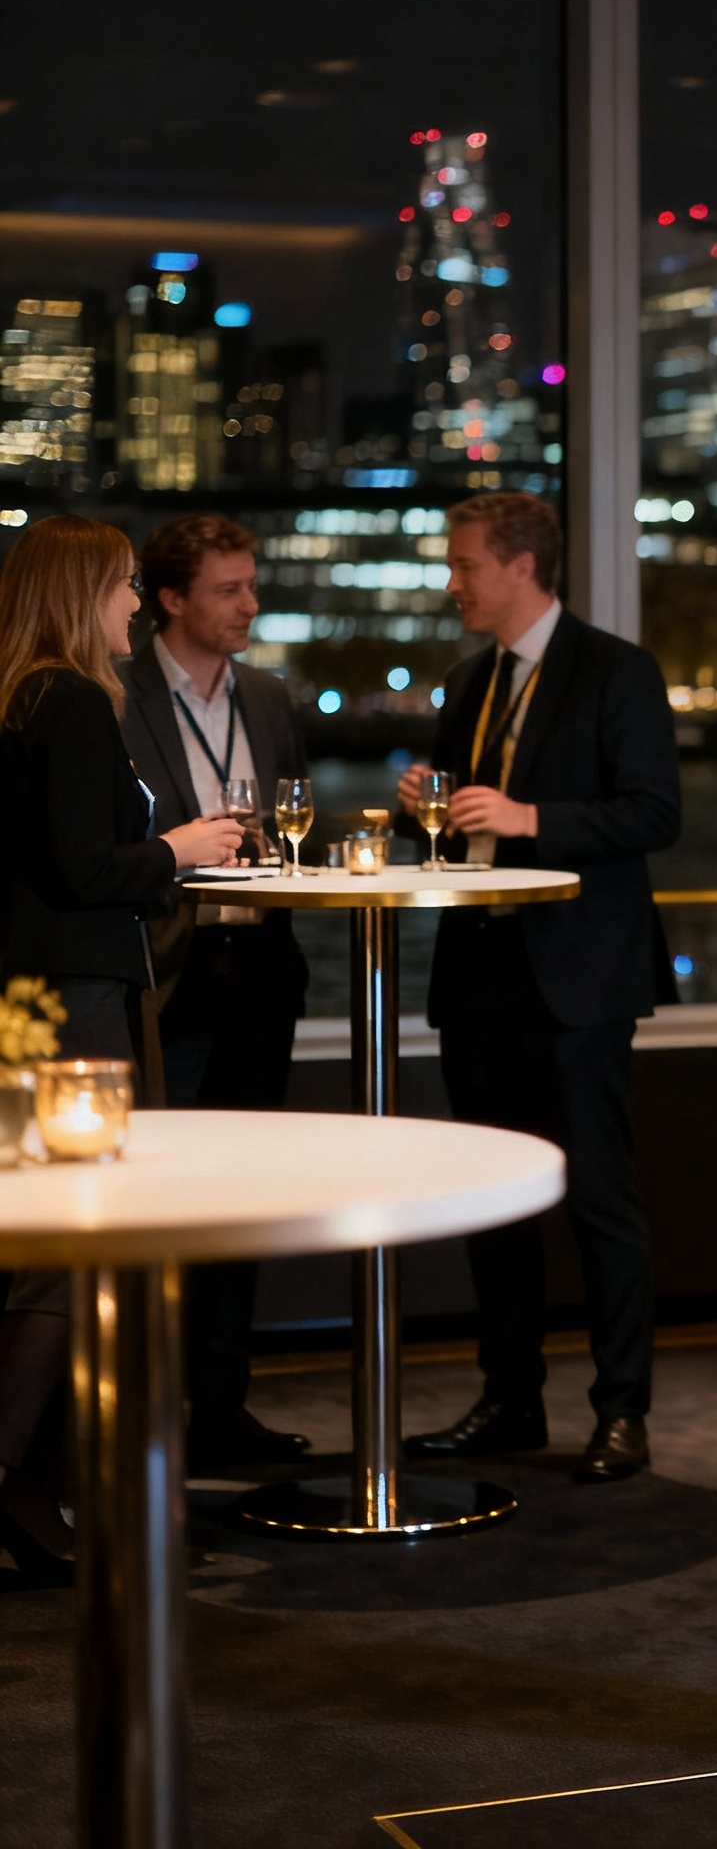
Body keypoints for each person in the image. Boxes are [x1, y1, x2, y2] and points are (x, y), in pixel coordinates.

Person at [397, 493, 680, 1486]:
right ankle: (510, 1400)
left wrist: (525, 817)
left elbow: (652, 813)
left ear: (520, 565)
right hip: (480, 978)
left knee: (599, 1199)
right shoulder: (469, 680)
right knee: (495, 1208)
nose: (453, 581)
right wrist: (425, 817)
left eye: (464, 563)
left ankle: (621, 1410)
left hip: (581, 981)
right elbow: (468, 834)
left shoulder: (618, 670)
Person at [0, 515, 243, 1581]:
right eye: (124, 586)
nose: (136, 604)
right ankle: (13, 1477)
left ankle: (34, 1491)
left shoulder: (16, 698)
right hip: (75, 1004)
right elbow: (84, 868)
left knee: (41, 1243)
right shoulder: (72, 701)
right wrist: (177, 850)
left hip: (26, 1003)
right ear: (78, 593)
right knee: (75, 1248)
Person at [122, 513, 313, 1474]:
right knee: (160, 1203)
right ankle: (144, 1416)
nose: (249, 604)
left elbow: (296, 820)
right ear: (170, 600)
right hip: (168, 975)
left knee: (242, 1199)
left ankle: (222, 1409)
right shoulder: (115, 695)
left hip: (261, 972)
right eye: (228, 590)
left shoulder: (271, 696)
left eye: (250, 585)